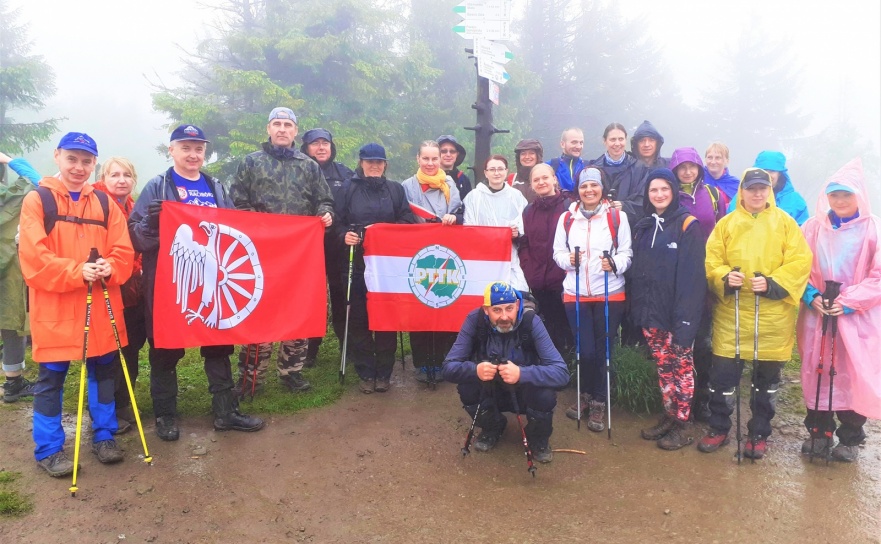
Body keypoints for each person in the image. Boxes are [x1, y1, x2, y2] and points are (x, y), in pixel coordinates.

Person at [130, 124, 264, 441]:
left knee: (218, 346)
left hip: (214, 283)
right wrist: (152, 223)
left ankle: (225, 412)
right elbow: (135, 236)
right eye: (186, 147)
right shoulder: (157, 186)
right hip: (168, 285)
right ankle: (165, 416)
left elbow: (236, 228)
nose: (193, 154)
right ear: (172, 150)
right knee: (165, 349)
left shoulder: (215, 186)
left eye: (199, 148)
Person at [19, 132, 134, 476]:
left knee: (103, 373)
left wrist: (111, 266)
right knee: (51, 379)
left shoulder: (103, 203)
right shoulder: (37, 200)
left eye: (86, 161)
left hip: (99, 306)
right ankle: (50, 450)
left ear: (93, 164)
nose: (79, 167)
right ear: (57, 157)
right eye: (72, 159)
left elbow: (123, 249)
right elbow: (32, 258)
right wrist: (76, 270)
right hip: (55, 308)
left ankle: (104, 436)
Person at [700, 168, 812, 459]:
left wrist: (774, 283)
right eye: (752, 189)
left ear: (770, 191)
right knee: (723, 380)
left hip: (773, 318)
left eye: (763, 188)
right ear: (742, 191)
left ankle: (759, 433)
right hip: (733, 316)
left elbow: (801, 262)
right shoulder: (726, 224)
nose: (758, 194)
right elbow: (712, 261)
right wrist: (725, 277)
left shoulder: (786, 224)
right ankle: (718, 428)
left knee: (765, 384)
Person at [230, 107, 335, 396]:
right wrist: (262, 229)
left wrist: (325, 214)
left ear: (295, 131)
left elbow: (324, 199)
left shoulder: (309, 165)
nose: (282, 129)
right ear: (268, 128)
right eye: (277, 123)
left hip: (300, 255)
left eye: (287, 124)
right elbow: (237, 202)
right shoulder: (252, 163)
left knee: (297, 310)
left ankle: (291, 371)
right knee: (259, 313)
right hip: (260, 254)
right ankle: (251, 376)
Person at [797, 158, 881, 463]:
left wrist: (847, 302)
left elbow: (878, 276)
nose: (841, 201)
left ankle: (850, 437)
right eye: (834, 195)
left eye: (847, 194)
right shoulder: (812, 227)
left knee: (851, 373)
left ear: (859, 195)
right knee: (817, 371)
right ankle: (819, 432)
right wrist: (811, 295)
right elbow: (798, 266)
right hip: (818, 315)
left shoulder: (873, 229)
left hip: (857, 318)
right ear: (826, 197)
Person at [442, 282, 568, 463]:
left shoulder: (531, 321)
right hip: (491, 389)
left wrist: (522, 374)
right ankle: (493, 426)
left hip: (524, 391)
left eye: (510, 309)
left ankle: (538, 438)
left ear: (517, 306)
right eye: (497, 310)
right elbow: (448, 367)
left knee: (545, 394)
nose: (504, 317)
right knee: (467, 386)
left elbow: (561, 373)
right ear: (486, 310)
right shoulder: (474, 320)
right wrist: (475, 370)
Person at [629, 169, 706, 449]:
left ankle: (683, 424)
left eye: (664, 189)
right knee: (664, 367)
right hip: (653, 314)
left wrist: (686, 321)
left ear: (674, 191)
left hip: (679, 315)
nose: (659, 195)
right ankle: (669, 415)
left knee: (682, 368)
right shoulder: (645, 226)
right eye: (653, 190)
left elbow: (693, 279)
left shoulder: (688, 225)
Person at [553, 167, 632, 432]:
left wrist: (615, 263)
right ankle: (585, 394)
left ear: (602, 188)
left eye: (594, 186)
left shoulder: (616, 217)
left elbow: (627, 253)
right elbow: (558, 252)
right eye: (584, 186)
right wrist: (568, 260)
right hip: (575, 293)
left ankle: (599, 400)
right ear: (578, 189)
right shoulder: (567, 218)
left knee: (604, 351)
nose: (589, 190)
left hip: (610, 293)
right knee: (584, 350)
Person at [335, 143, 416, 393]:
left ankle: (384, 372)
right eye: (369, 161)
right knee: (358, 318)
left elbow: (406, 219)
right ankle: (365, 372)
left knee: (386, 318)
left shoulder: (395, 189)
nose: (374, 165)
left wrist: (385, 232)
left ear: (385, 164)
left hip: (386, 267)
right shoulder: (347, 188)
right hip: (355, 262)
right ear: (361, 162)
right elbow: (336, 222)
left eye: (379, 162)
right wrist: (345, 235)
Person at [668, 147, 729, 422]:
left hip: (708, 277)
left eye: (692, 166)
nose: (688, 171)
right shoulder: (669, 197)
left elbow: (728, 231)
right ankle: (679, 400)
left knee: (704, 342)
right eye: (682, 167)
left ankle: (702, 397)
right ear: (674, 170)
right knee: (680, 341)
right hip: (678, 279)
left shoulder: (714, 196)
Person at [401, 140, 463, 383]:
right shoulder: (407, 185)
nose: (429, 163)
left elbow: (460, 212)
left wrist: (454, 217)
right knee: (420, 306)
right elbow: (403, 215)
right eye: (425, 158)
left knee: (444, 302)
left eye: (434, 159)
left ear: (441, 160)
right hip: (418, 254)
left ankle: (442, 359)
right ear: (418, 159)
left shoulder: (450, 184)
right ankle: (422, 361)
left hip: (446, 252)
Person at [93, 158, 146, 433]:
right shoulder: (94, 203)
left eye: (127, 175)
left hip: (132, 290)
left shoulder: (133, 207)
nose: (121, 180)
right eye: (115, 175)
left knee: (131, 348)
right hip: (106, 286)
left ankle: (124, 401)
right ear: (104, 176)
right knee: (107, 352)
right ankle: (105, 408)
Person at [301, 128, 355, 367]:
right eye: (315, 144)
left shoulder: (344, 174)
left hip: (337, 247)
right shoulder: (297, 169)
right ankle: (307, 350)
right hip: (303, 249)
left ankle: (347, 346)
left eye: (325, 143)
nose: (321, 148)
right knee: (309, 300)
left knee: (341, 297)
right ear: (306, 148)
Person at [518, 163, 571, 356]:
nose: (541, 182)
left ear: (554, 179)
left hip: (564, 280)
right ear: (531, 184)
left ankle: (569, 369)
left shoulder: (569, 206)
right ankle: (549, 368)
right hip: (539, 280)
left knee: (567, 327)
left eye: (545, 178)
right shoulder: (528, 211)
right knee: (547, 329)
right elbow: (524, 243)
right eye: (536, 180)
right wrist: (529, 271)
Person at [0, 151, 40, 403]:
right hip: (9, 273)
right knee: (12, 325)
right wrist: (8, 158)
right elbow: (38, 181)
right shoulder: (11, 198)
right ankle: (13, 383)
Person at [463, 155, 529, 291]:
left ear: (506, 171)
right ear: (485, 172)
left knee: (512, 292)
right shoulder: (474, 197)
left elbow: (526, 224)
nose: (497, 173)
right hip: (482, 255)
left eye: (500, 169)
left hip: (509, 255)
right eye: (492, 169)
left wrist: (517, 233)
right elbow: (468, 227)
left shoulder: (516, 196)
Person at [727, 151, 809, 225]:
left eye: (772, 171)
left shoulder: (795, 201)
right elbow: (729, 225)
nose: (767, 175)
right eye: (764, 170)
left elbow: (801, 233)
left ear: (779, 173)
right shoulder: (741, 197)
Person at [589, 123, 646, 222]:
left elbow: (644, 201)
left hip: (630, 227)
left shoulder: (639, 168)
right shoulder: (593, 169)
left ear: (626, 140)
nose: (617, 144)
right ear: (604, 141)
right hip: (600, 225)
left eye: (621, 139)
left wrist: (625, 206)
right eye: (612, 139)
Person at [547, 128, 584, 197]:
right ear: (562, 144)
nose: (579, 146)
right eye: (574, 142)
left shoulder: (587, 167)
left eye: (581, 143)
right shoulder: (550, 166)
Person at [437, 135, 473, 202]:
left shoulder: (463, 180)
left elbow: (469, 206)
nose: (448, 154)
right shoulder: (427, 177)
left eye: (452, 151)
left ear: (457, 154)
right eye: (444, 151)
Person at [507, 139, 543, 204]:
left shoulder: (546, 178)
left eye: (531, 153)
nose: (527, 157)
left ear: (538, 156)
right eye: (523, 154)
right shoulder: (511, 179)